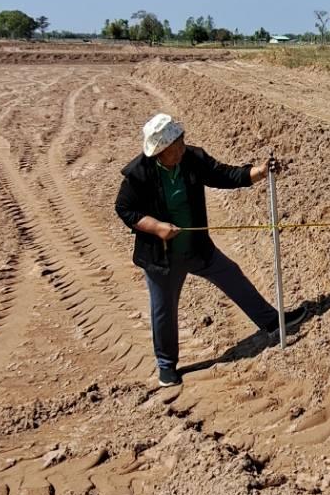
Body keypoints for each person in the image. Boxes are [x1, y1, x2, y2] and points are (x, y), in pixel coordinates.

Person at [116, 113, 294, 386]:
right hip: (162, 258)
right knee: (163, 310)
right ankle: (166, 366)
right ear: (159, 152)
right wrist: (156, 226)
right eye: (174, 148)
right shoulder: (139, 174)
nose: (180, 150)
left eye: (181, 143)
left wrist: (257, 172)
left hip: (198, 249)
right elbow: (125, 209)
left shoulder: (192, 159)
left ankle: (272, 322)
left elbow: (222, 175)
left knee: (232, 275)